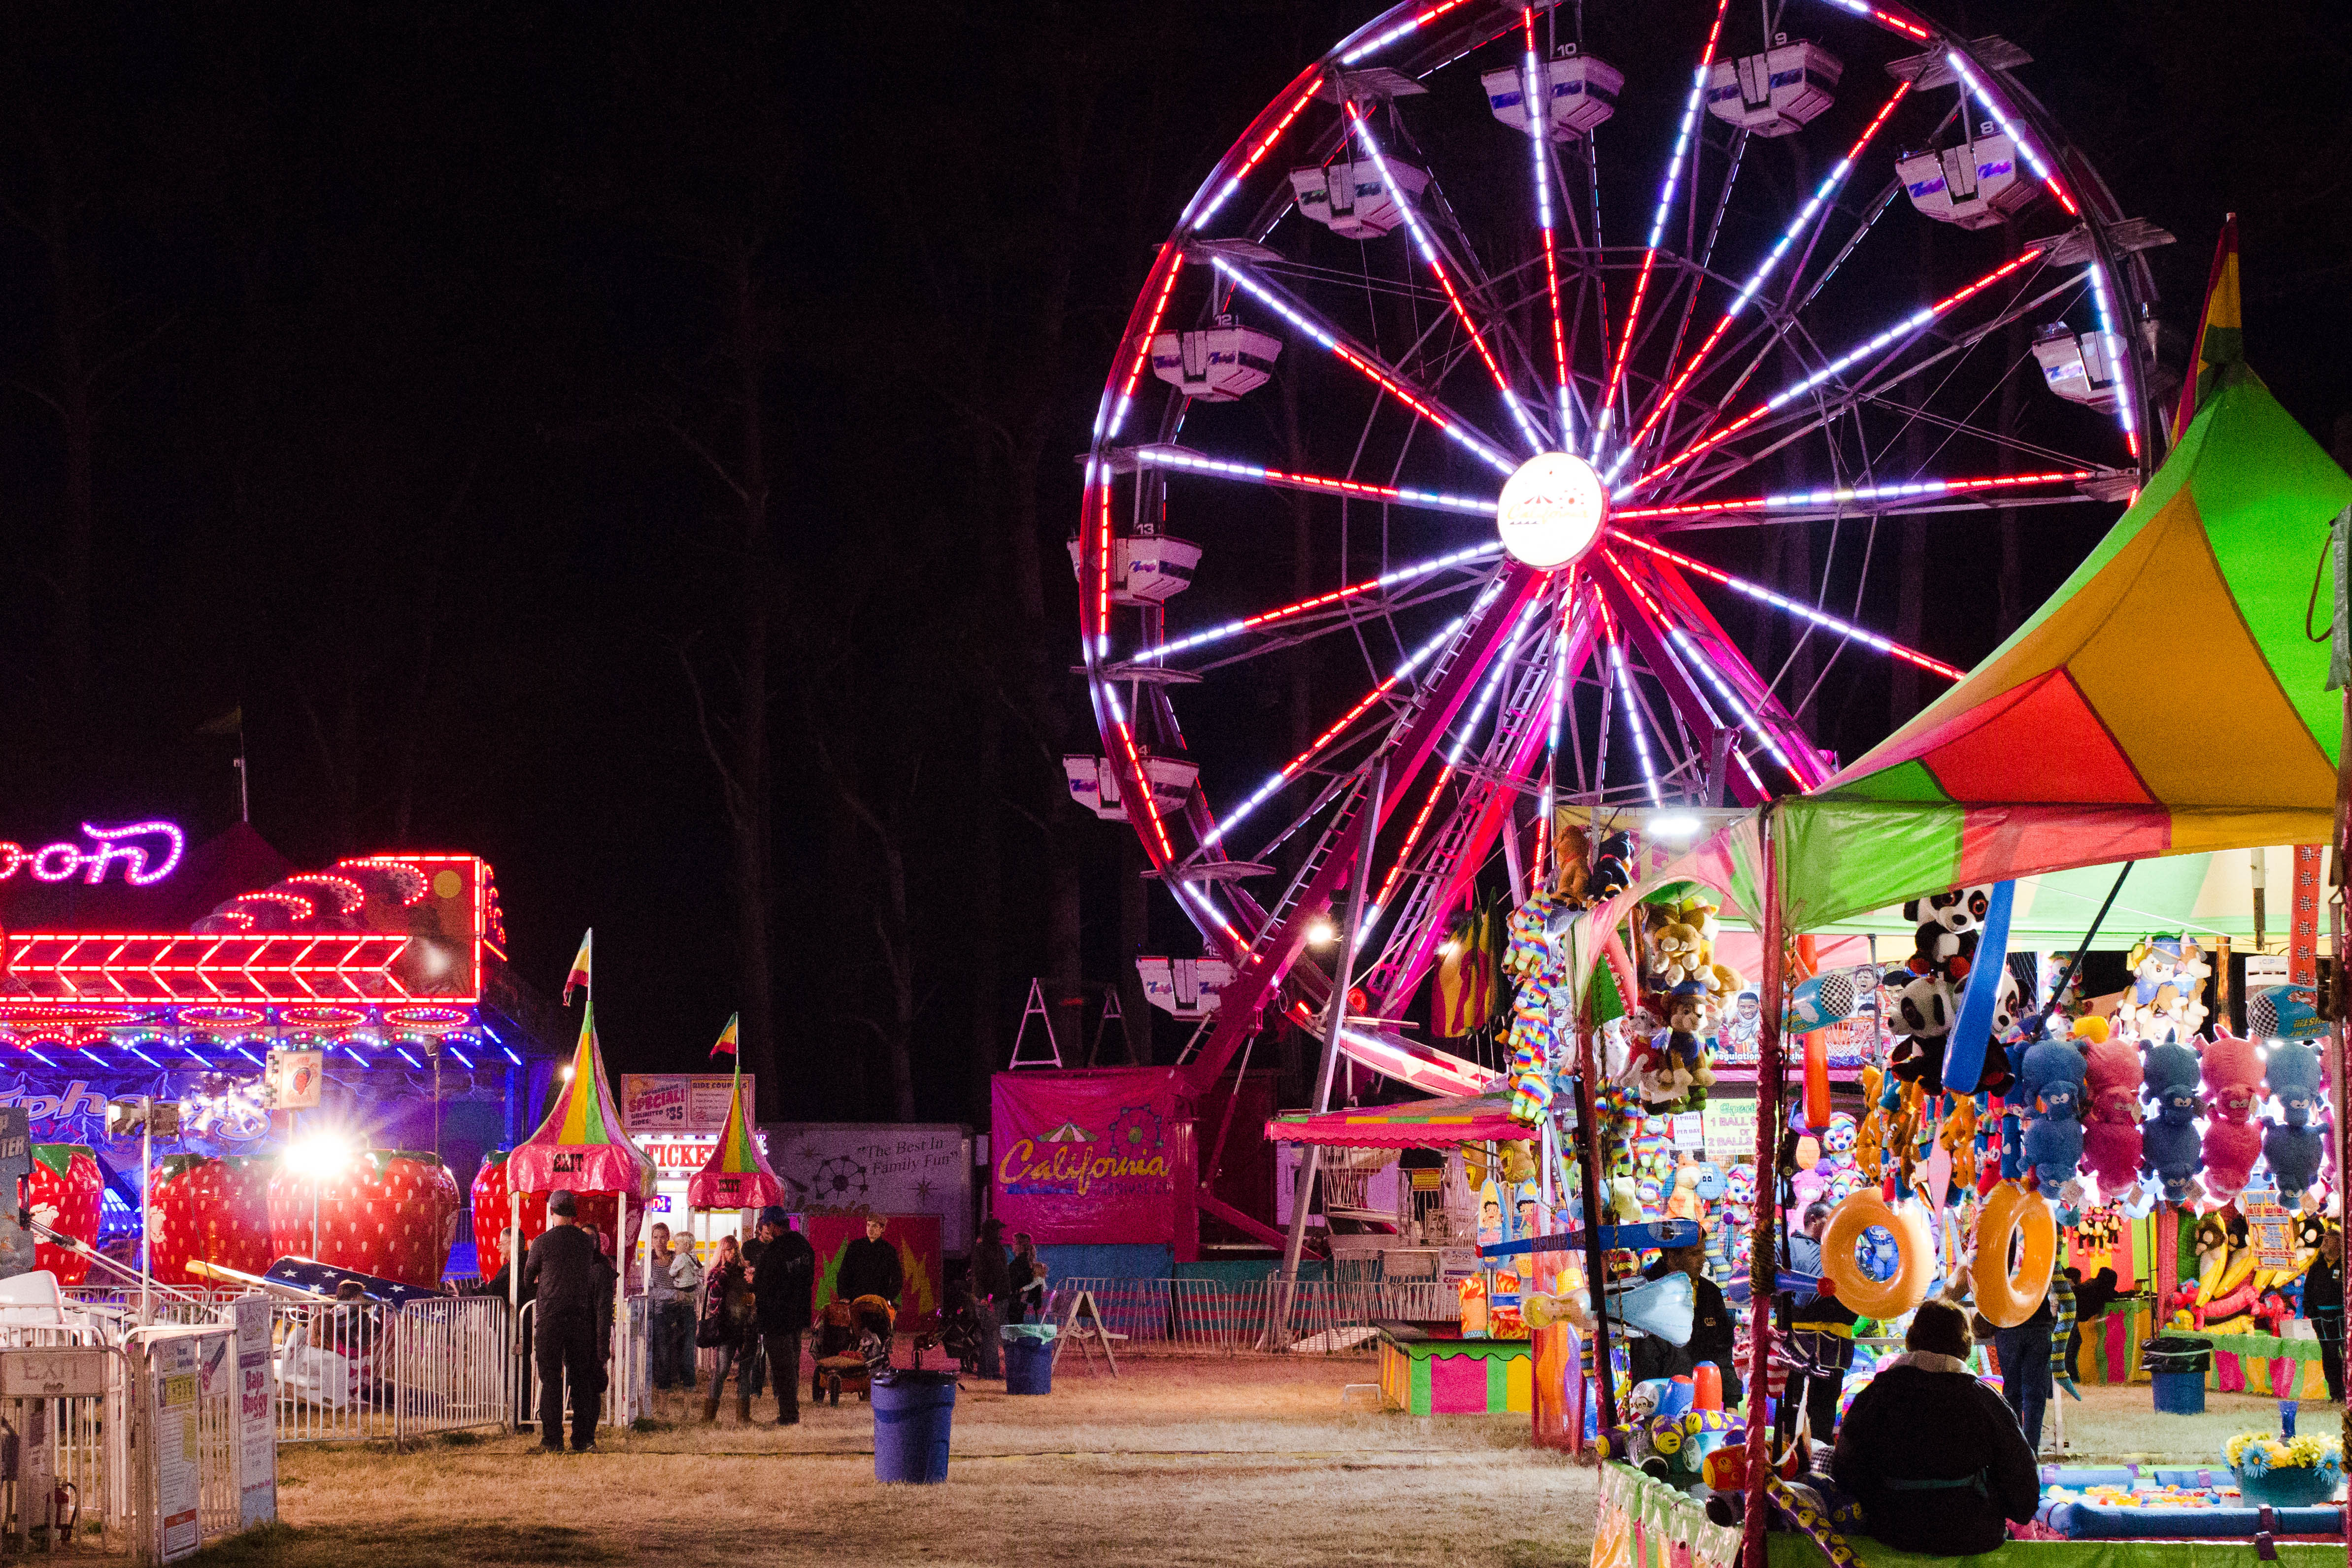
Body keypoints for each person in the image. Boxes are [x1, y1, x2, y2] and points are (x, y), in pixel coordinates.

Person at [1832, 1299, 2040, 1555]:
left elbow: (1845, 1475)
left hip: (1890, 1534)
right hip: (1972, 1537)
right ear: (1966, 1347)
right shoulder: (1989, 1403)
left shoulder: (1874, 1397)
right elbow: (2025, 1498)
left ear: (1911, 1338)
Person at [521, 1189, 616, 1453]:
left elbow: (529, 1278)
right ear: (574, 1214)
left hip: (550, 1317)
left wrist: (542, 1284)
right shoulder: (585, 1243)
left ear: (552, 1212)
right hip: (580, 1318)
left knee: (551, 1379)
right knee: (581, 1380)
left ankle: (552, 1441)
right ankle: (583, 1440)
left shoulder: (542, 1242)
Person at [1777, 1201, 1857, 1454]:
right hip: (1798, 1346)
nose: (1835, 1227)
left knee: (1823, 1415)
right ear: (1813, 1219)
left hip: (1835, 1349)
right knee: (1793, 1409)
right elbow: (1772, 1286)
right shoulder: (1788, 1246)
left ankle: (1819, 1466)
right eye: (1829, 1221)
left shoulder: (1841, 1252)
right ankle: (1790, 1463)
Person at [1626, 1243, 1742, 1407]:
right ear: (1672, 1257)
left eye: (1702, 1253)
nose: (1702, 1260)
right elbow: (1646, 1365)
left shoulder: (1710, 1294)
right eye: (1694, 1254)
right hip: (1661, 1406)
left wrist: (1732, 1403)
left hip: (1707, 1406)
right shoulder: (1647, 1293)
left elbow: (1722, 1354)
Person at [745, 1206, 815, 1425]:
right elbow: (808, 1278)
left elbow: (764, 1286)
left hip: (777, 1319)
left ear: (773, 1226)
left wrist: (751, 1280)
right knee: (792, 1365)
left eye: (767, 1225)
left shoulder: (774, 1251)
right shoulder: (804, 1246)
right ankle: (793, 1410)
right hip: (798, 1316)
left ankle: (789, 1416)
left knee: (782, 1369)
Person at [1989, 1258, 2057, 1453]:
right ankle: (2026, 1450)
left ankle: (2020, 1450)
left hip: (2015, 1324)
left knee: (2017, 1392)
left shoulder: (2002, 1240)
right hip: (2028, 1324)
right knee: (2029, 1392)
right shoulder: (2037, 1238)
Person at [699, 1232, 756, 1422]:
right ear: (721, 1252)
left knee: (746, 1372)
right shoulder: (715, 1273)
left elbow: (754, 1295)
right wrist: (724, 1275)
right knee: (721, 1371)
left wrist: (751, 1284)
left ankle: (744, 1417)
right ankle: (709, 1416)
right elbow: (714, 1297)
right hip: (726, 1328)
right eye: (728, 1250)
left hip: (746, 1326)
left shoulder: (745, 1271)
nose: (732, 1253)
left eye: (735, 1249)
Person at [646, 1222, 700, 1392]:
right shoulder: (648, 1262)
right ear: (651, 1240)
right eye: (656, 1237)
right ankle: (664, 1388)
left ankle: (689, 1388)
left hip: (685, 1309)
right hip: (663, 1312)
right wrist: (674, 1295)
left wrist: (689, 1294)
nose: (660, 1241)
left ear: (669, 1238)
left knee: (687, 1350)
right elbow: (650, 1292)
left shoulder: (679, 1257)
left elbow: (698, 1280)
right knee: (664, 1351)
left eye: (663, 1237)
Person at [2306, 1224, 2344, 1401]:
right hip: (2321, 1318)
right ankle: (2335, 1393)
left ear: (2339, 1243)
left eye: (2330, 1240)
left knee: (2347, 1355)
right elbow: (2308, 1292)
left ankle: (2347, 1392)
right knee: (2329, 1357)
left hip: (2342, 1318)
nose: (2325, 1242)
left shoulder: (2345, 1265)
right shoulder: (2316, 1267)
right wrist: (2311, 1313)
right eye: (2325, 1239)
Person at [970, 1218, 1010, 1379]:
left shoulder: (997, 1250)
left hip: (999, 1298)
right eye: (998, 1230)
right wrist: (986, 1297)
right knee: (991, 1336)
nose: (1001, 1233)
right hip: (992, 1299)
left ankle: (985, 1371)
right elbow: (980, 1276)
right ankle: (992, 1371)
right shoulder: (984, 1250)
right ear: (992, 1232)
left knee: (989, 1336)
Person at [837, 1215, 903, 1307]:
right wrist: (844, 1296)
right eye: (868, 1225)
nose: (870, 1229)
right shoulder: (855, 1247)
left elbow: (898, 1279)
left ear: (882, 1229)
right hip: (855, 1300)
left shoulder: (889, 1250)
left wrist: (888, 1298)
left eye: (874, 1226)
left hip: (878, 1302)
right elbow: (844, 1273)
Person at [1009, 1231, 1046, 1323]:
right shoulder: (1025, 1262)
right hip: (1019, 1303)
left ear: (1021, 1246)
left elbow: (1014, 1283)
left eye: (1014, 1242)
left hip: (1015, 1303)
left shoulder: (1020, 1263)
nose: (1012, 1245)